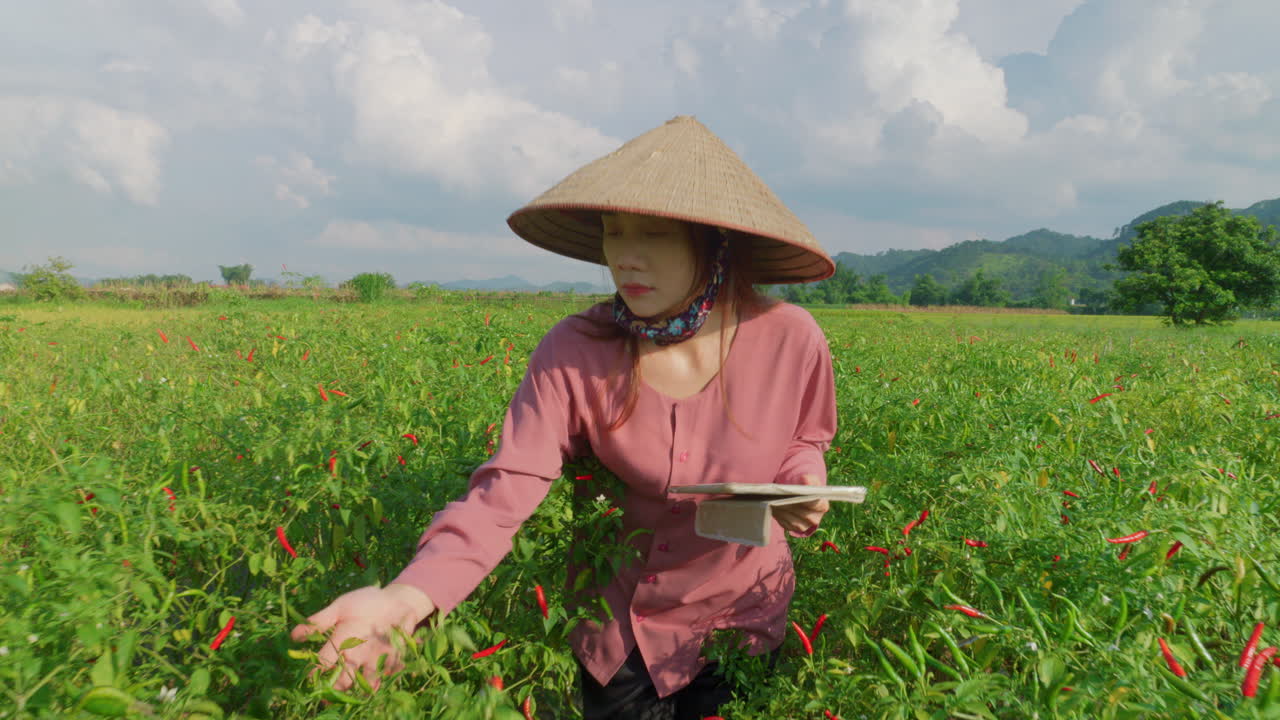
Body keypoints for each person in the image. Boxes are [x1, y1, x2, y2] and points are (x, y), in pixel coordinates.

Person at [290, 115, 839, 719]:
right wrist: (406, 597)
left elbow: (805, 436)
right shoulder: (576, 349)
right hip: (621, 630)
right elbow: (507, 489)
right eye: (613, 232)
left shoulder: (789, 338)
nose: (626, 258)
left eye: (653, 235)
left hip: (740, 620)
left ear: (712, 241)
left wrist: (803, 480)